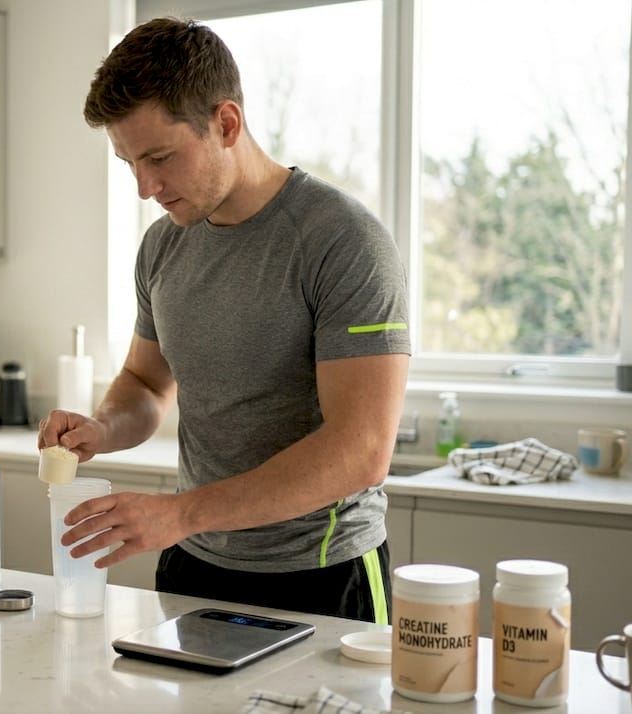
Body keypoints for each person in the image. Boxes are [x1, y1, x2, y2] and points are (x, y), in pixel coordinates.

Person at [36, 17, 411, 624]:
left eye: (160, 157)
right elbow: (147, 382)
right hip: (192, 565)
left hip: (321, 574)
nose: (145, 187)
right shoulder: (163, 247)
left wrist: (180, 513)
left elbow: (362, 450)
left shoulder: (342, 241)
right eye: (129, 162)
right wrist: (102, 428)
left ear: (226, 123)